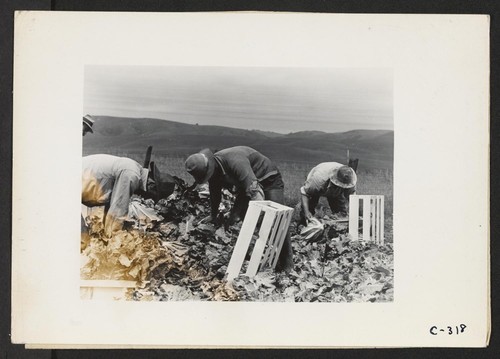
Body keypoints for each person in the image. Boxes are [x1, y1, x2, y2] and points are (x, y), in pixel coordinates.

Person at [185, 146, 293, 272]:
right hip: (245, 186)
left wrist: (258, 221)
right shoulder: (214, 171)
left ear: (211, 166)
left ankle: (287, 263)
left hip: (268, 178)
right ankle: (242, 258)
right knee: (233, 220)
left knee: (278, 220)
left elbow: (256, 193)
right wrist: (213, 215)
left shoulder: (236, 162)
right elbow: (215, 194)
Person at [82, 153, 175, 237]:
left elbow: (111, 205)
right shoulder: (132, 175)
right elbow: (117, 210)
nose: (145, 198)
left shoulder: (134, 169)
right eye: (152, 196)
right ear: (152, 186)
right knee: (81, 240)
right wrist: (114, 239)